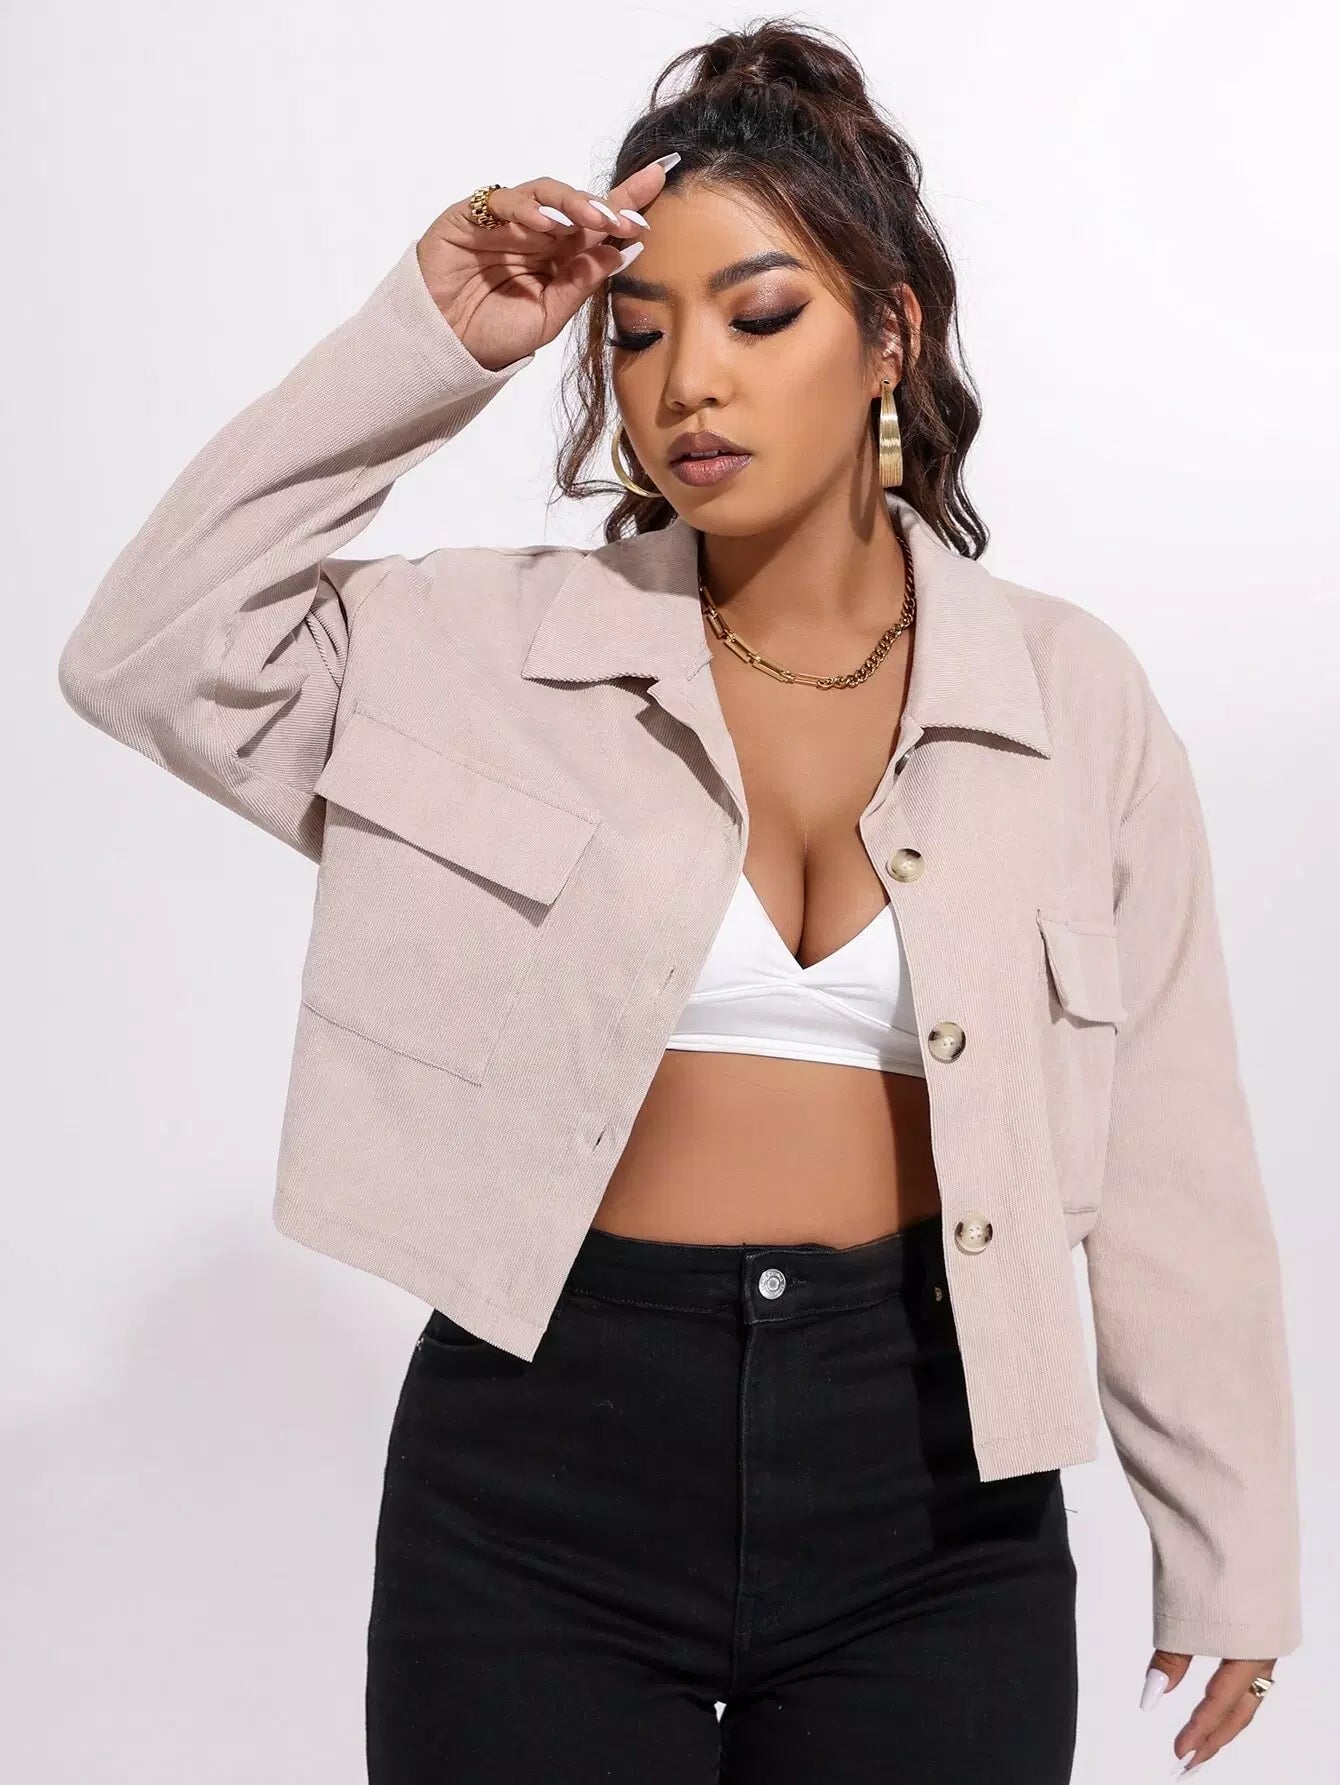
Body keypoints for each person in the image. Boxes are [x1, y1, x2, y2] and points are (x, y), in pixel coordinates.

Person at [56, 19, 1300, 1784]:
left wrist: (1230, 1534)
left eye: (759, 315)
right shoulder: (477, 651)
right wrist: (428, 343)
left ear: (890, 334)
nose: (687, 382)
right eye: (638, 333)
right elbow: (147, 649)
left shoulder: (1067, 695)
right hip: (539, 1466)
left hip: (938, 1486)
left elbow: (1175, 1142)